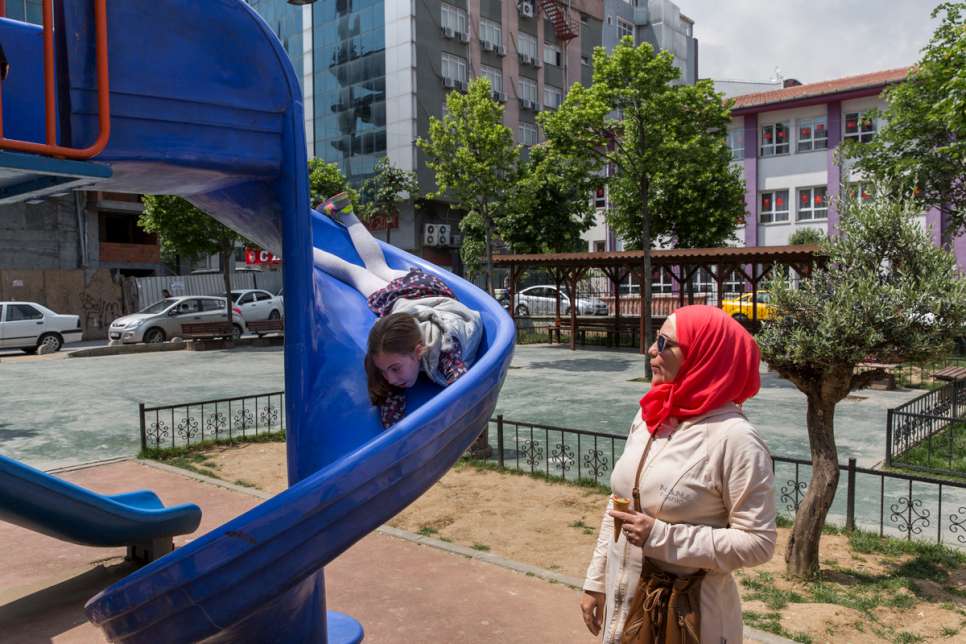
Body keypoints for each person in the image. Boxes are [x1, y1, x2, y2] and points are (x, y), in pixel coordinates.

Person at [580, 305, 776, 643]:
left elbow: (758, 542)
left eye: (664, 342)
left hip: (691, 618)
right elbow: (619, 503)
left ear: (703, 354)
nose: (651, 350)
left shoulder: (735, 439)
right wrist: (596, 580)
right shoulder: (652, 414)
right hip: (626, 605)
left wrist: (663, 538)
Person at [314, 192, 482, 428]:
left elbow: (464, 388)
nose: (391, 378)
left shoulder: (445, 349)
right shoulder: (400, 359)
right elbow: (393, 393)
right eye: (385, 371)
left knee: (361, 271)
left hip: (425, 292)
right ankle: (341, 214)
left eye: (394, 369)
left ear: (419, 351)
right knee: (368, 269)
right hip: (424, 290)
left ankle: (314, 232)